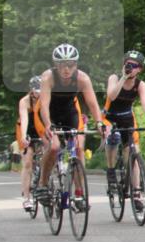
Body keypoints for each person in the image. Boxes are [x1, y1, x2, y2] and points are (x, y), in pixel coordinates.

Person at [37, 44, 107, 206]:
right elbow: (44, 106)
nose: (66, 69)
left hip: (70, 114)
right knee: (54, 147)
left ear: (76, 65)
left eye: (70, 65)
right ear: (56, 65)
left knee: (78, 149)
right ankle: (43, 184)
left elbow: (93, 104)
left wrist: (99, 123)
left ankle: (79, 193)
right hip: (50, 115)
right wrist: (48, 125)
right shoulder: (48, 77)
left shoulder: (82, 79)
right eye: (62, 65)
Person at [102, 50, 145, 212]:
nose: (130, 68)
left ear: (140, 69)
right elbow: (112, 96)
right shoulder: (114, 78)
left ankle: (136, 193)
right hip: (110, 116)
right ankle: (111, 170)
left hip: (127, 117)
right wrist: (123, 77)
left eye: (134, 66)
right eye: (127, 64)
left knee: (134, 153)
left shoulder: (140, 85)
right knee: (112, 138)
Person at [15, 76, 42, 209]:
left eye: (41, 91)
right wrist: (24, 136)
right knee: (27, 162)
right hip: (26, 129)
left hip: (40, 128)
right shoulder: (25, 102)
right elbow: (24, 119)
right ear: (31, 91)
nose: (39, 94)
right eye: (36, 91)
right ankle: (26, 197)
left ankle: (43, 183)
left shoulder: (47, 99)